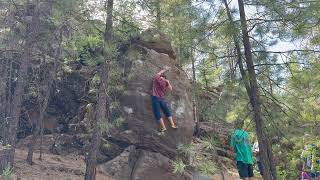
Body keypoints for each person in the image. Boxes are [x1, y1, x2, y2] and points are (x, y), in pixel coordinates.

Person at [151, 68, 178, 133]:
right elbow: (171, 88)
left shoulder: (157, 79)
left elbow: (158, 74)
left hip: (155, 98)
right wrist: (168, 81)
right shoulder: (165, 83)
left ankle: (163, 127)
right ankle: (173, 125)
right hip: (162, 99)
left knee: (157, 113)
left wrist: (165, 70)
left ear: (161, 77)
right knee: (166, 111)